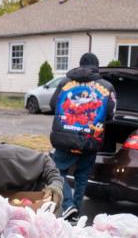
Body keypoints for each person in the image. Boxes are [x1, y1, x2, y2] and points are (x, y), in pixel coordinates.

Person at [49, 52, 116, 219]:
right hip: (90, 138)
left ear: (80, 65)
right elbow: (110, 113)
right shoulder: (107, 86)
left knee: (58, 172)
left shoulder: (65, 82)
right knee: (82, 176)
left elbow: (52, 104)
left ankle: (68, 206)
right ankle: (74, 210)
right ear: (96, 67)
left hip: (63, 137)